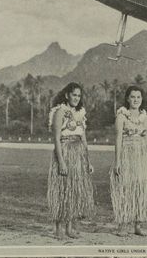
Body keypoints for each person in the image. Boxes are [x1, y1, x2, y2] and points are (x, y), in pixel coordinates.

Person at [110, 86, 147, 236]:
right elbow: (118, 138)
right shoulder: (121, 116)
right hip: (126, 154)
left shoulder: (145, 118)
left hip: (142, 156)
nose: (136, 100)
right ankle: (122, 224)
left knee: (140, 188)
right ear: (127, 98)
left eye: (138, 97)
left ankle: (137, 225)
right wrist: (117, 161)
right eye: (133, 97)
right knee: (125, 188)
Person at [47, 82, 95, 239]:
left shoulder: (80, 113)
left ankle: (70, 228)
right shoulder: (60, 111)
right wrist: (61, 162)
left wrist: (88, 161)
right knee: (62, 190)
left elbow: (84, 139)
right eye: (74, 94)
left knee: (74, 191)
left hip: (79, 153)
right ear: (67, 95)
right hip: (65, 151)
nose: (76, 98)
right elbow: (56, 138)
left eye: (79, 95)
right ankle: (59, 228)